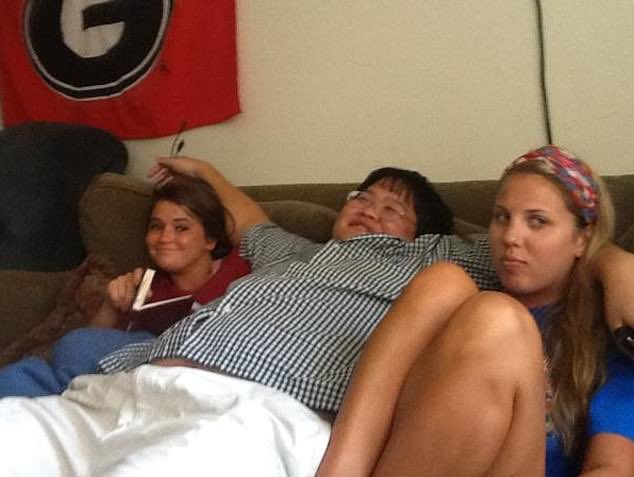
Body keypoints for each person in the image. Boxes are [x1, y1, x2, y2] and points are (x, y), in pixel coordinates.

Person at [0, 157, 629, 476]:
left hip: (250, 413)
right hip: (124, 389)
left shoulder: (446, 262)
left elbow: (541, 265)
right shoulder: (293, 252)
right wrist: (206, 173)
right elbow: (248, 217)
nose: (369, 209)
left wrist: (614, 263)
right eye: (361, 197)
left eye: (392, 208)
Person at [316, 146, 634, 477]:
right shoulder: (463, 301)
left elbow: (611, 468)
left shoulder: (606, 338)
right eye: (502, 217)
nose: (511, 237)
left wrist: (613, 262)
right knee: (444, 282)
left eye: (537, 221)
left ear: (582, 238)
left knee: (500, 320)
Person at [0, 174, 250, 398]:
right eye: (156, 226)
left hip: (198, 372)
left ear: (210, 239)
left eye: (181, 227)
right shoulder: (145, 287)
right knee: (22, 374)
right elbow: (91, 347)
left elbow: (261, 225)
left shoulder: (237, 266)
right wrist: (111, 304)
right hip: (114, 375)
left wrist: (199, 168)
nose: (165, 237)